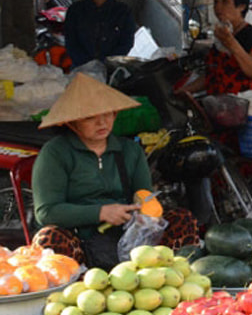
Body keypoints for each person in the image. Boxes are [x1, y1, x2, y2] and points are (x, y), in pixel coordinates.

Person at [31, 73, 200, 269]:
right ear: (72, 122)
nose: (102, 123)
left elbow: (144, 194)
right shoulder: (55, 153)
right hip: (79, 240)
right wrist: (101, 213)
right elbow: (46, 212)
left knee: (182, 220)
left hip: (129, 238)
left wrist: (143, 211)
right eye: (90, 117)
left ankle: (176, 282)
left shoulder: (130, 150)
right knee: (49, 237)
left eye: (107, 114)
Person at [63, 0, 137, 67]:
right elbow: (71, 43)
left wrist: (105, 64)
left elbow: (126, 43)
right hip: (81, 70)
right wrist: (88, 66)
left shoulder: (123, 12)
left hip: (111, 69)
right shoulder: (75, 11)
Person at [202, 0, 252, 95]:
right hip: (218, 102)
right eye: (216, 2)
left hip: (243, 104)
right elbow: (212, 74)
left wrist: (231, 43)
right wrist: (184, 90)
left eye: (225, 2)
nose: (218, 7)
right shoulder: (221, 34)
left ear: (241, 7)